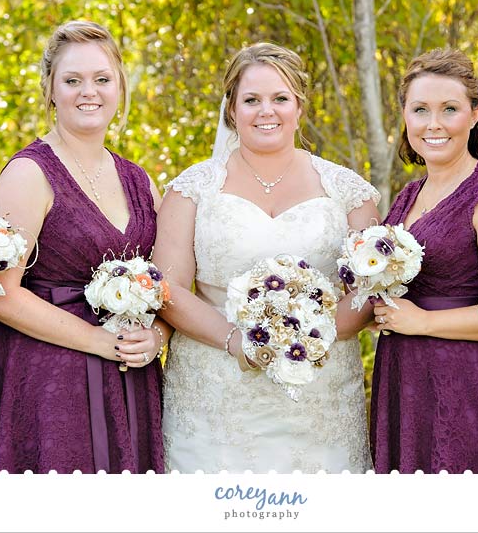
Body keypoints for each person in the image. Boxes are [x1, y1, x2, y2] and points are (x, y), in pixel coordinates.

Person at [154, 42, 380, 473]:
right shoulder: (193, 188)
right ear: (232, 110)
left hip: (319, 395)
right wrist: (235, 339)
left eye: (280, 98)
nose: (266, 111)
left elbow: (368, 292)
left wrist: (307, 339)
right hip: (215, 395)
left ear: (299, 105)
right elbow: (170, 288)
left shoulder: (347, 191)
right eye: (251, 100)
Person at [0, 20, 167, 474]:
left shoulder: (139, 180)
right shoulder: (29, 174)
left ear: (119, 87)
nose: (90, 92)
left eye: (102, 79)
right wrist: (100, 341)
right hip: (52, 381)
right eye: (72, 80)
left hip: (132, 377)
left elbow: (168, 285)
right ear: (50, 89)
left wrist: (156, 337)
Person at [368, 48, 478, 473]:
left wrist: (424, 323)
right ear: (404, 115)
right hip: (407, 381)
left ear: (475, 115)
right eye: (420, 109)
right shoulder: (410, 194)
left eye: (450, 109)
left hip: (471, 387)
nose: (434, 124)